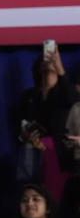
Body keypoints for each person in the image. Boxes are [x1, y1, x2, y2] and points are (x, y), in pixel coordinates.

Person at [14, 50, 78, 181]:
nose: (49, 62)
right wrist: (23, 135)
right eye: (45, 58)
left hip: (59, 153)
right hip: (33, 151)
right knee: (33, 189)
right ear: (38, 66)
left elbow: (72, 99)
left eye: (52, 59)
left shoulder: (66, 91)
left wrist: (60, 69)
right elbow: (19, 125)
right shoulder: (28, 96)